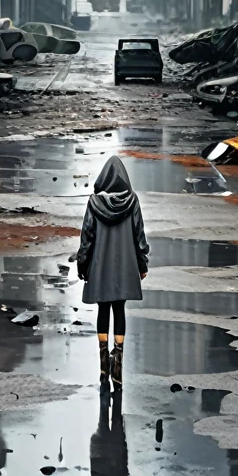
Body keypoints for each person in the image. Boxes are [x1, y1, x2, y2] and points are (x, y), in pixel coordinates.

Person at [76, 155, 149, 386]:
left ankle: (102, 364)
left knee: (102, 309)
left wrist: (83, 264)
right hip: (125, 266)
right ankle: (118, 362)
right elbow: (139, 235)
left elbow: (87, 236)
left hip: (100, 266)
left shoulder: (94, 202)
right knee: (119, 310)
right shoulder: (132, 201)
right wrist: (142, 264)